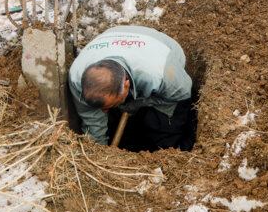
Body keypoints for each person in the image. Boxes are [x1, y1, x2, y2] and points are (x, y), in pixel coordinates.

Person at [68, 25, 196, 152]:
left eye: (108, 106)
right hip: (113, 36)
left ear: (126, 86)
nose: (104, 112)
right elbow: (92, 121)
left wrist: (140, 103)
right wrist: (100, 153)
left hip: (161, 50)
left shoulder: (159, 74)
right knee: (111, 118)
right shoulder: (76, 77)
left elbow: (183, 95)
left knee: (162, 129)